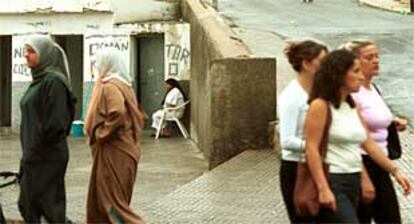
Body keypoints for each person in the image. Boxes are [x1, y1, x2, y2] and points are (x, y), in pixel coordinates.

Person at [305, 49, 411, 223]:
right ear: (338, 75)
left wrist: (395, 171)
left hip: (353, 179)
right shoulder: (320, 106)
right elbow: (312, 148)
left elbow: (367, 145)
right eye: (356, 71)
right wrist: (322, 187)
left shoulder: (352, 106)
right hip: (334, 180)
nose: (361, 77)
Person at [342, 40, 408, 224]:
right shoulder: (353, 93)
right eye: (369, 57)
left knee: (390, 217)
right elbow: (354, 137)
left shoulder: (372, 88)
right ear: (354, 62)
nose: (376, 60)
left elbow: (373, 116)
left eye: (377, 56)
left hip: (380, 163)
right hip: (363, 163)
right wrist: (364, 176)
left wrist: (392, 122)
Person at [84, 48, 146, 224]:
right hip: (125, 149)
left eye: (99, 64)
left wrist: (101, 133)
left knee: (112, 203)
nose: (97, 69)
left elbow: (117, 112)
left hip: (115, 151)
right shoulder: (124, 85)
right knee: (109, 200)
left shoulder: (110, 86)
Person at [18, 35, 76, 223]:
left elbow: (57, 123)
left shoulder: (53, 82)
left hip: (47, 156)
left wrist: (37, 149)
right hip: (33, 155)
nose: (26, 55)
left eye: (31, 51)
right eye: (25, 50)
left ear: (45, 55)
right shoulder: (39, 80)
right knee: (28, 204)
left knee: (49, 208)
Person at [277, 40, 327, 223]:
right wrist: (317, 147)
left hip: (319, 165)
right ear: (306, 64)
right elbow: (287, 140)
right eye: (322, 62)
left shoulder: (319, 92)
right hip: (297, 168)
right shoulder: (291, 97)